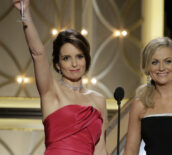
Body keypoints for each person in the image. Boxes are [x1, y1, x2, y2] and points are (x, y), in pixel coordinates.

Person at [13, 0, 108, 155]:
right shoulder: (51, 90)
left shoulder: (99, 100)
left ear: (86, 59)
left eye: (79, 56)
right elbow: (38, 54)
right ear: (57, 64)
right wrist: (25, 12)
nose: (74, 63)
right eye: (66, 58)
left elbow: (101, 149)